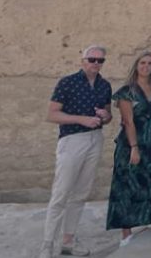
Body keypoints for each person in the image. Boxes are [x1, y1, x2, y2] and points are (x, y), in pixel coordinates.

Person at [39, 45, 113, 258]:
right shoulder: (67, 83)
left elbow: (108, 116)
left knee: (80, 194)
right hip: (72, 140)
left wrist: (105, 116)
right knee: (61, 193)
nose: (96, 64)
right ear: (83, 61)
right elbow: (52, 114)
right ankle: (47, 244)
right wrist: (81, 119)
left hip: (95, 140)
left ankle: (68, 242)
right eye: (92, 59)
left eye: (100, 61)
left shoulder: (104, 85)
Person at [106, 51, 151, 246]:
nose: (146, 67)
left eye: (150, 64)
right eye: (142, 63)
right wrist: (134, 148)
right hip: (132, 142)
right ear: (136, 66)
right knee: (126, 185)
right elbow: (128, 121)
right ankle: (126, 233)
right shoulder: (126, 91)